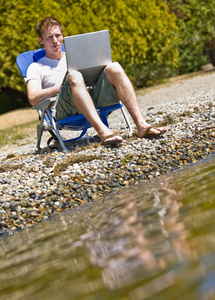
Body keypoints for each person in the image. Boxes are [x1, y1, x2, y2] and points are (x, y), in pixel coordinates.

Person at [26, 17, 165, 145]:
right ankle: (103, 132)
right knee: (73, 76)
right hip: (66, 110)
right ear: (41, 40)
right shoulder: (36, 67)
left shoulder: (76, 56)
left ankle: (142, 125)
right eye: (49, 37)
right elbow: (32, 98)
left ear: (62, 36)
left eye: (57, 35)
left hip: (92, 98)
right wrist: (60, 87)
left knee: (114, 67)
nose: (55, 40)